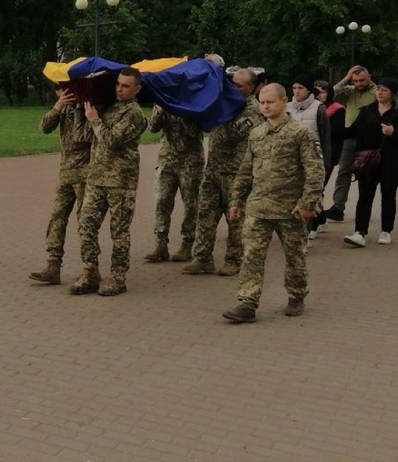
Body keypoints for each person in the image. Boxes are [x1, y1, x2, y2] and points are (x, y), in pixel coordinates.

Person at [223, 83, 325, 323]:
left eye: (270, 101)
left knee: (295, 257)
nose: (265, 106)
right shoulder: (257, 134)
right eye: (262, 102)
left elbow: (315, 172)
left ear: (283, 101)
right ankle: (247, 302)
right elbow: (246, 170)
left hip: (291, 209)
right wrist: (237, 199)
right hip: (258, 207)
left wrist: (308, 204)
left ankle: (296, 294)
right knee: (252, 256)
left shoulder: (301, 133)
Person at [69, 68, 147, 296]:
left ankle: (118, 278)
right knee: (86, 225)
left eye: (125, 86)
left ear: (137, 89)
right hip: (96, 177)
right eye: (118, 84)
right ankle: (90, 270)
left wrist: (94, 120)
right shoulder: (109, 107)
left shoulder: (134, 114)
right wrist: (81, 111)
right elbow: (82, 137)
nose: (119, 89)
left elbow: (111, 140)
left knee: (119, 232)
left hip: (120, 182)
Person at [183, 68, 265, 276]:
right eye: (231, 83)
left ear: (251, 88)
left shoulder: (252, 110)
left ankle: (234, 259)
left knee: (235, 220)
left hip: (236, 174)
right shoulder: (225, 104)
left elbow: (233, 134)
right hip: (213, 170)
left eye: (238, 85)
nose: (232, 88)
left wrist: (218, 110)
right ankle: (202, 258)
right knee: (206, 215)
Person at [341, 77, 398, 247]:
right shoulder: (367, 111)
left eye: (384, 90)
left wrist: (394, 132)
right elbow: (351, 131)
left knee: (388, 196)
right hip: (369, 162)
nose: (380, 93)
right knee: (365, 197)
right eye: (378, 89)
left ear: (392, 93)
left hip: (392, 162)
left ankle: (386, 231)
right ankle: (360, 232)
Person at [29, 85, 93, 284]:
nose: (64, 95)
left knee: (86, 221)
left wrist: (81, 110)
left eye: (67, 91)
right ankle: (53, 264)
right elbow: (44, 127)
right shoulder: (63, 108)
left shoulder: (88, 108)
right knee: (57, 217)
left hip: (85, 173)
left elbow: (82, 138)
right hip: (66, 173)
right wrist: (58, 107)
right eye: (60, 91)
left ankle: (89, 267)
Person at [144, 105, 203, 262]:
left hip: (191, 162)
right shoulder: (163, 99)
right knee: (161, 202)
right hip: (167, 161)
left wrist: (181, 109)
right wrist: (161, 109)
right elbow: (152, 128)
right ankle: (160, 243)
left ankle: (187, 243)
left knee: (191, 204)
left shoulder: (194, 101)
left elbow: (194, 131)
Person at [325, 66, 376, 221]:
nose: (359, 84)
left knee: (366, 174)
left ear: (369, 77)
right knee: (343, 171)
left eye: (362, 80)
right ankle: (338, 207)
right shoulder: (350, 91)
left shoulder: (377, 92)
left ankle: (364, 208)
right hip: (349, 136)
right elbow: (330, 94)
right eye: (355, 81)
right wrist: (346, 79)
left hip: (368, 138)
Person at [286, 74, 331, 242]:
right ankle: (294, 231)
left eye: (301, 88)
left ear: (308, 90)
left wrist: (325, 162)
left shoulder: (319, 108)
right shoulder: (287, 107)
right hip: (291, 160)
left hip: (312, 158)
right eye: (295, 88)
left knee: (310, 196)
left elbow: (325, 136)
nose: (297, 92)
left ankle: (309, 228)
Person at [312, 81, 345, 235]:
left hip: (327, 155)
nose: (319, 95)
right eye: (317, 92)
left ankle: (316, 221)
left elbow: (334, 132)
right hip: (310, 154)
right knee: (314, 189)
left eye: (322, 92)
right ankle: (320, 219)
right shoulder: (310, 108)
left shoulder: (337, 110)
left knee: (318, 188)